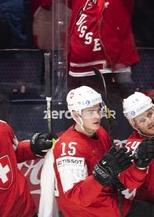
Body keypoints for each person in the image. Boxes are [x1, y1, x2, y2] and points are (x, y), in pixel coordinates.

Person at [53, 86, 134, 215]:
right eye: (90, 112)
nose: (97, 116)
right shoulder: (69, 148)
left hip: (105, 200)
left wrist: (115, 179)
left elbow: (110, 169)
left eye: (98, 110)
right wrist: (99, 177)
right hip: (87, 210)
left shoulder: (100, 132)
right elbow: (76, 196)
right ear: (75, 114)